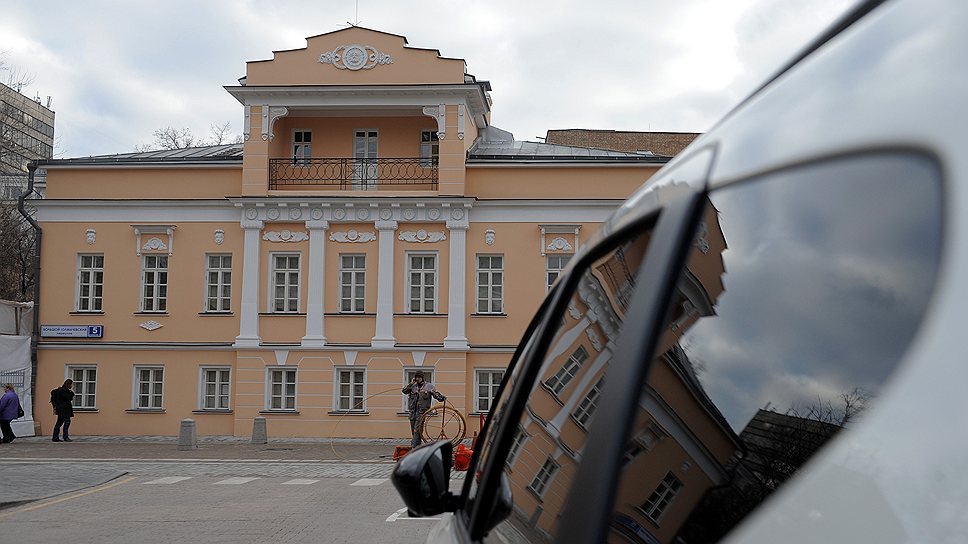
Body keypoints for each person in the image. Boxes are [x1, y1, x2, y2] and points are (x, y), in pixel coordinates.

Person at [402, 371, 446, 448]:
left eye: (419, 377)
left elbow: (436, 395)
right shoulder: (413, 386)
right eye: (416, 377)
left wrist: (441, 398)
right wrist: (411, 383)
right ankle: (418, 447)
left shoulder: (429, 386)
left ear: (422, 378)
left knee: (417, 430)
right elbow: (404, 391)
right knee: (414, 431)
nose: (417, 379)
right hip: (412, 412)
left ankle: (414, 447)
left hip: (422, 412)